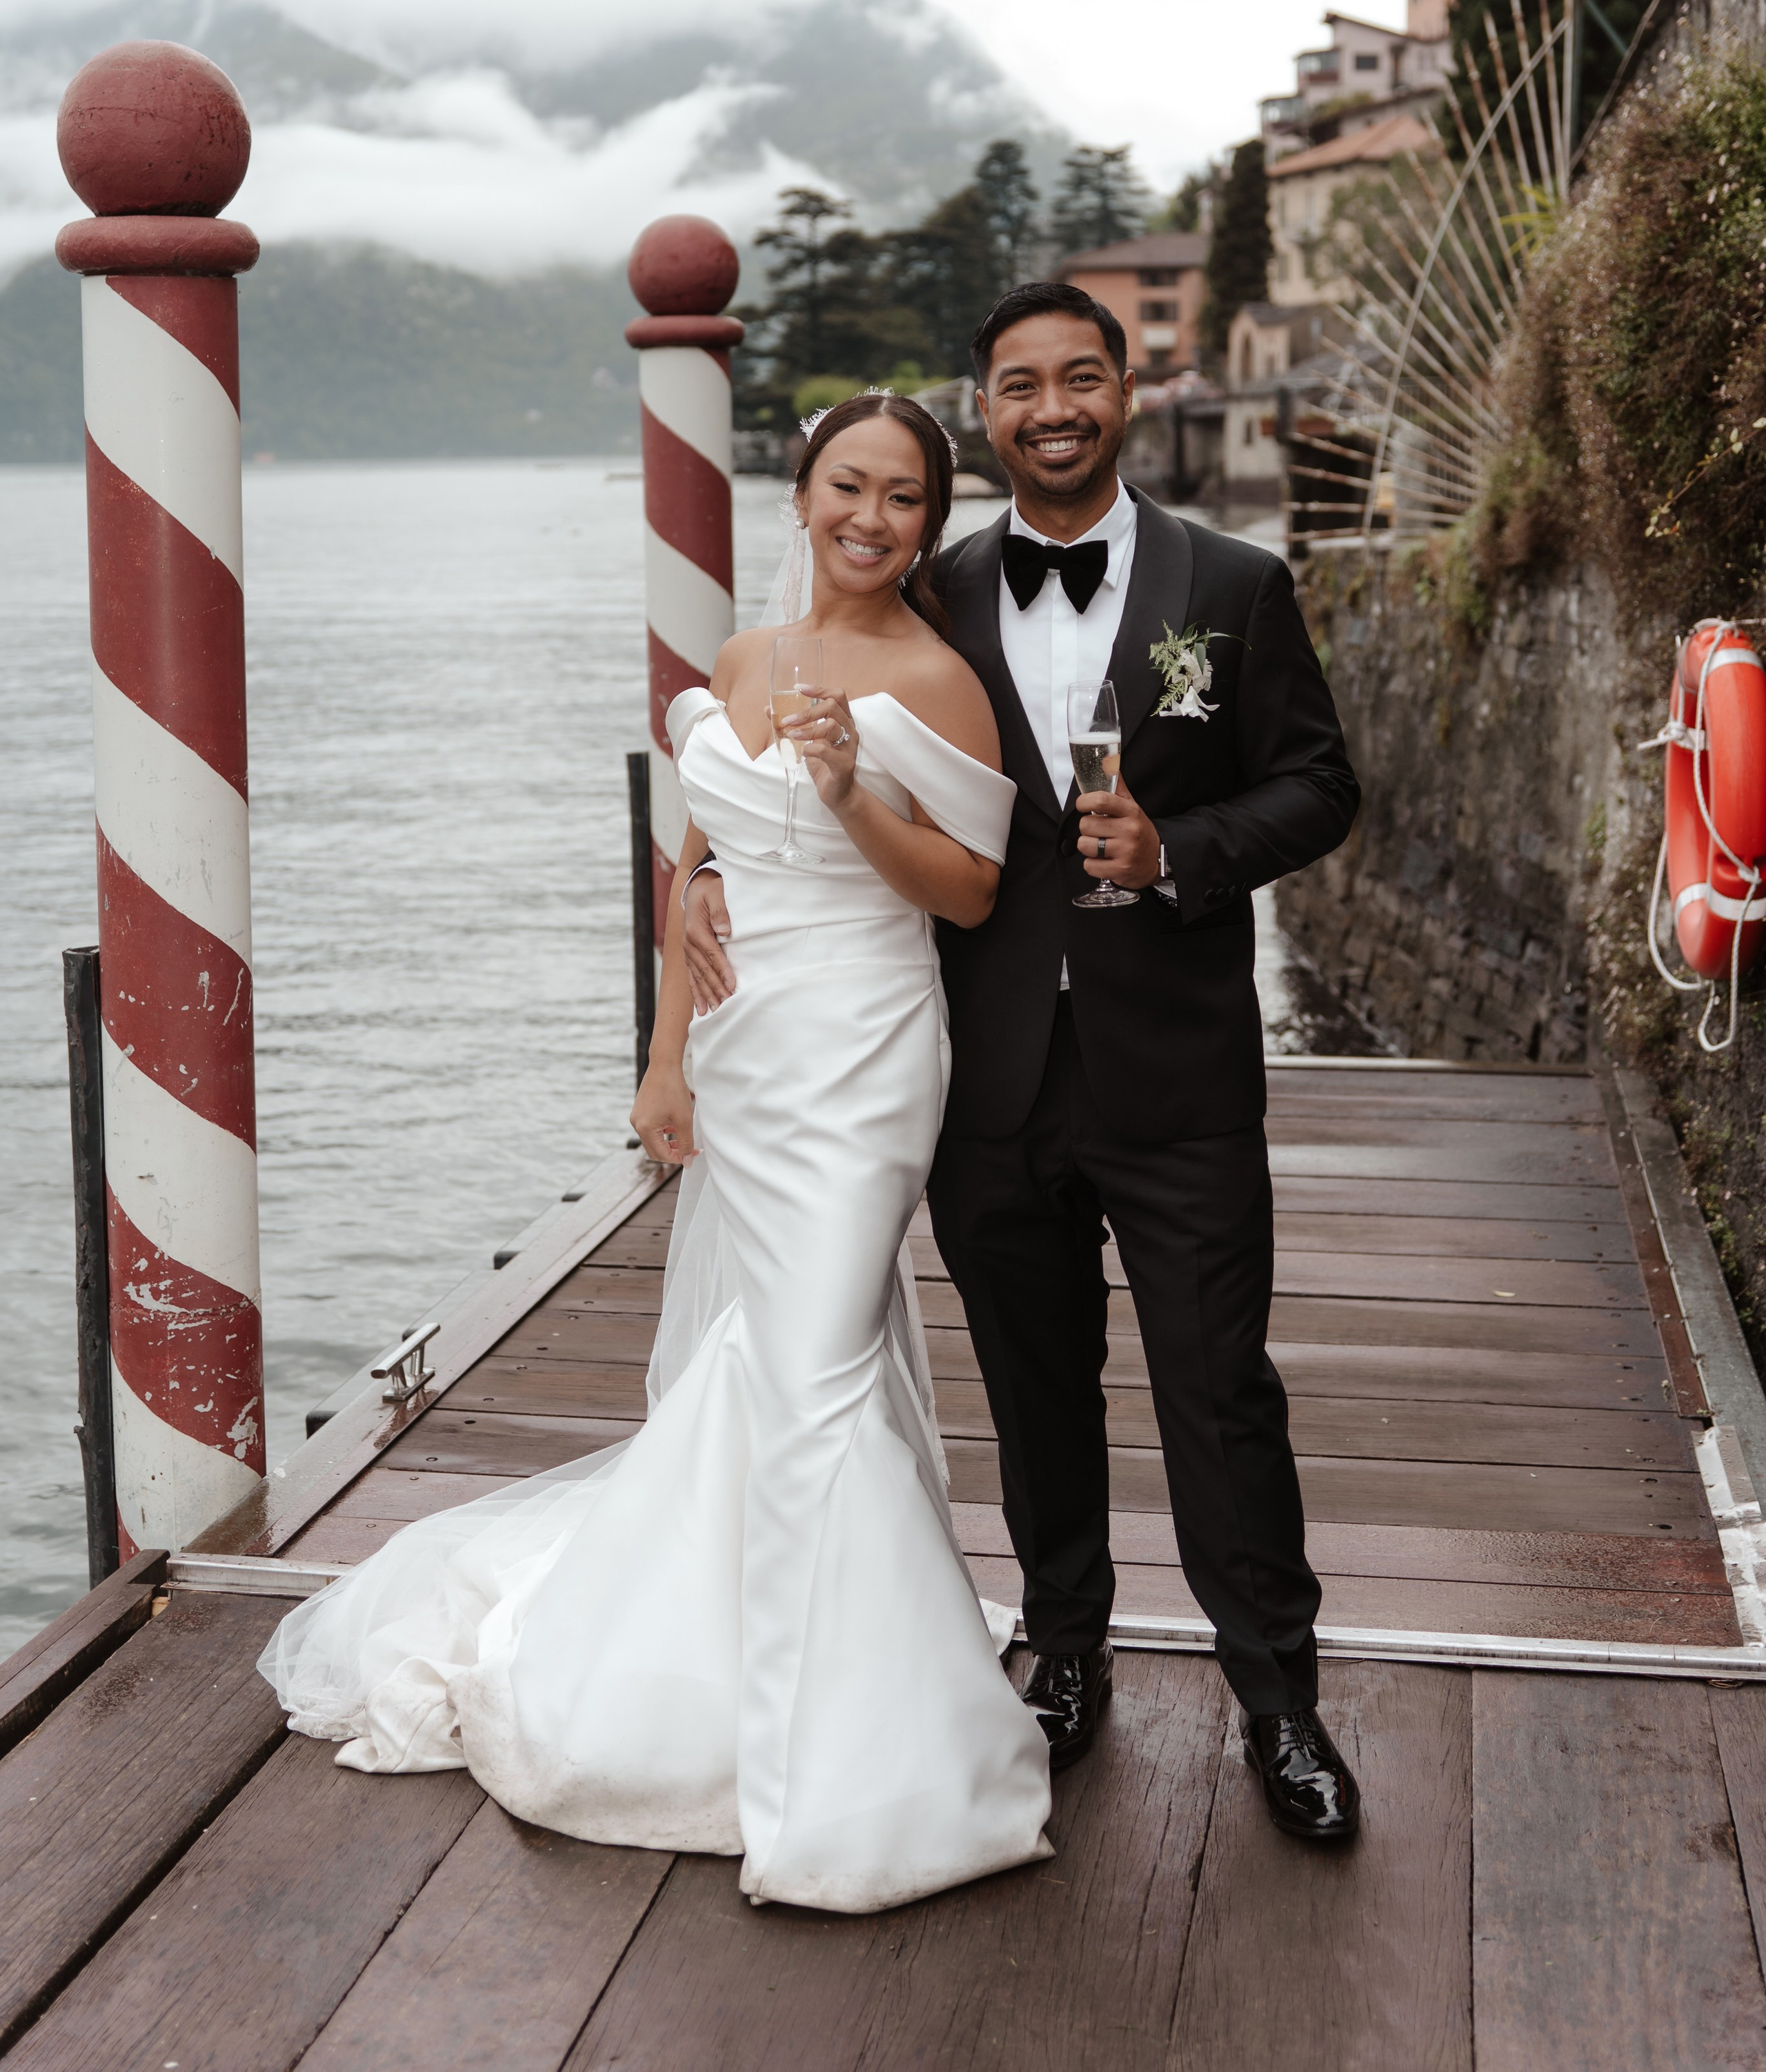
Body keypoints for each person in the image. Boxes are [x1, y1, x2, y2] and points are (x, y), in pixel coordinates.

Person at [259, 391, 1053, 1917]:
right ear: (802, 497)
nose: (868, 518)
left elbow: (962, 896)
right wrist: (664, 1056)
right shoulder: (749, 663)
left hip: (864, 1052)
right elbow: (702, 860)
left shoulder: (935, 683)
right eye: (845, 487)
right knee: (766, 1362)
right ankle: (718, 1659)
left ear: (928, 522)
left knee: (817, 1370)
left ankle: (858, 1757)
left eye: (901, 498)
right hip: (749, 1061)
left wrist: (842, 791)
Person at [684, 284, 1364, 1844]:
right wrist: (718, 876)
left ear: (1125, 391)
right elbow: (803, 779)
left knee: (1218, 1391)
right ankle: (1062, 1655)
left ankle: (1280, 1704)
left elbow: (1318, 786)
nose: (1049, 409)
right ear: (983, 413)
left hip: (1177, 1071)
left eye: (1078, 379)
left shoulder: (1235, 583)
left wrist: (1182, 847)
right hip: (977, 1070)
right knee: (1032, 1387)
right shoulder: (936, 593)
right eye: (1016, 387)